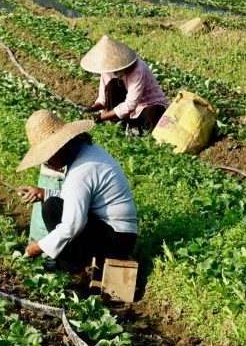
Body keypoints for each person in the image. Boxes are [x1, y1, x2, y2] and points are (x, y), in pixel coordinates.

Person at [16, 110, 137, 270]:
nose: (47, 162)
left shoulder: (81, 170)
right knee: (52, 203)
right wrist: (44, 193)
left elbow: (73, 225)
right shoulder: (87, 154)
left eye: (47, 157)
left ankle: (74, 270)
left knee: (52, 208)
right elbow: (77, 200)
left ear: (59, 148)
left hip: (117, 241)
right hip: (117, 233)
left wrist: (37, 248)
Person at [81, 35, 167, 134]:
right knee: (112, 85)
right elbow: (103, 98)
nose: (115, 72)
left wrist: (101, 118)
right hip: (126, 110)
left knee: (154, 112)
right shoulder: (108, 69)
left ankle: (140, 130)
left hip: (146, 106)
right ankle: (119, 126)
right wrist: (92, 108)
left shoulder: (138, 69)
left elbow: (131, 104)